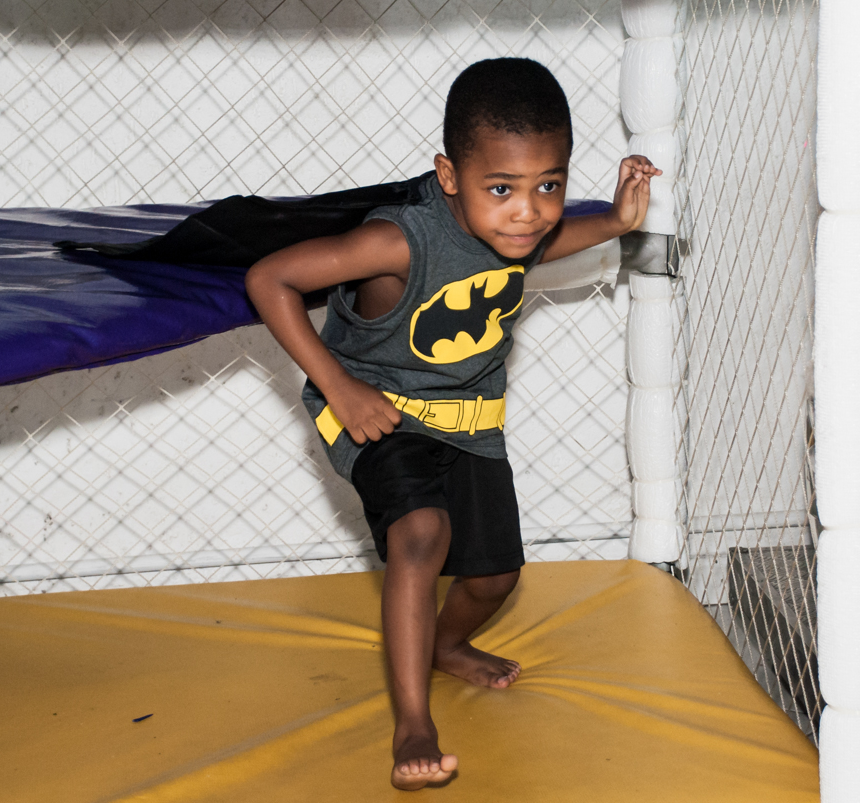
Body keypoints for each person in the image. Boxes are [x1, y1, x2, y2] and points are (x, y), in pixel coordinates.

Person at [245, 57, 659, 791]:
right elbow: (268, 278)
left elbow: (539, 244)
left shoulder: (520, 226)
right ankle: (413, 719)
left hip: (469, 420)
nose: (527, 211)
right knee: (422, 536)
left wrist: (616, 221)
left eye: (548, 186)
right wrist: (338, 387)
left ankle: (443, 642)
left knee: (495, 573)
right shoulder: (400, 243)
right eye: (501, 189)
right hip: (381, 412)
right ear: (449, 176)